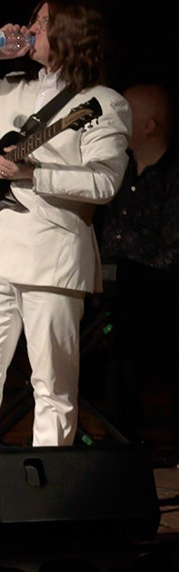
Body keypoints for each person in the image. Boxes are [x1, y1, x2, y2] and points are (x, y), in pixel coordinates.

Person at [0, 0, 131, 471]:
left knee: (53, 386)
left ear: (69, 34)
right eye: (32, 21)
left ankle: (46, 498)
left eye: (42, 23)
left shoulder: (103, 103)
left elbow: (104, 181)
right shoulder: (12, 89)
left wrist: (34, 175)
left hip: (54, 257)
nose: (31, 29)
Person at [95, 82, 178, 454]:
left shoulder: (173, 175)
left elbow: (171, 252)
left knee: (129, 338)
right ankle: (107, 443)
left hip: (160, 296)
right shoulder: (117, 169)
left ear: (149, 125)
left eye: (126, 113)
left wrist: (134, 275)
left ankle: (127, 445)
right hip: (107, 294)